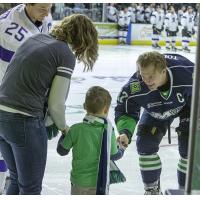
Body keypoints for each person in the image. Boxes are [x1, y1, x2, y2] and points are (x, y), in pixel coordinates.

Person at [0, 14, 98, 195]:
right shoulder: (64, 54)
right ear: (84, 38)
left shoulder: (35, 38)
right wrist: (64, 128)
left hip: (1, 115)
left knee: (15, 179)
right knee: (30, 188)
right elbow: (56, 104)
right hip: (24, 119)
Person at [115, 51, 194, 194]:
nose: (147, 80)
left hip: (188, 106)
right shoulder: (135, 85)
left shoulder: (189, 75)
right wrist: (125, 132)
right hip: (156, 108)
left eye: (151, 76)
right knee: (145, 144)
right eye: (143, 75)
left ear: (163, 71)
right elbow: (125, 110)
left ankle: (185, 190)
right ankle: (152, 190)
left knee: (190, 147)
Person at [0, 3, 52, 194]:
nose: (47, 11)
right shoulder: (7, 29)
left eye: (50, 5)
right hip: (10, 102)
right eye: (42, 7)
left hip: (14, 100)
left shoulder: (43, 17)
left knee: (12, 170)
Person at [57, 86, 126, 195]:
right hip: (99, 184)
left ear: (84, 106)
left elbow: (62, 151)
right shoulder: (108, 130)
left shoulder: (76, 129)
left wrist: (64, 134)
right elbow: (114, 155)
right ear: (106, 109)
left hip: (78, 183)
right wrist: (122, 148)